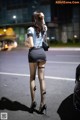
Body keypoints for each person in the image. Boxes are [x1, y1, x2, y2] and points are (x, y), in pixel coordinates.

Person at [25, 11, 47, 114]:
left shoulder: (30, 29)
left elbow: (31, 44)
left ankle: (33, 101)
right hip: (42, 54)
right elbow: (43, 41)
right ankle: (43, 103)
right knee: (42, 79)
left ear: (33, 20)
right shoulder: (44, 28)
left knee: (32, 77)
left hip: (33, 54)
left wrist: (26, 43)